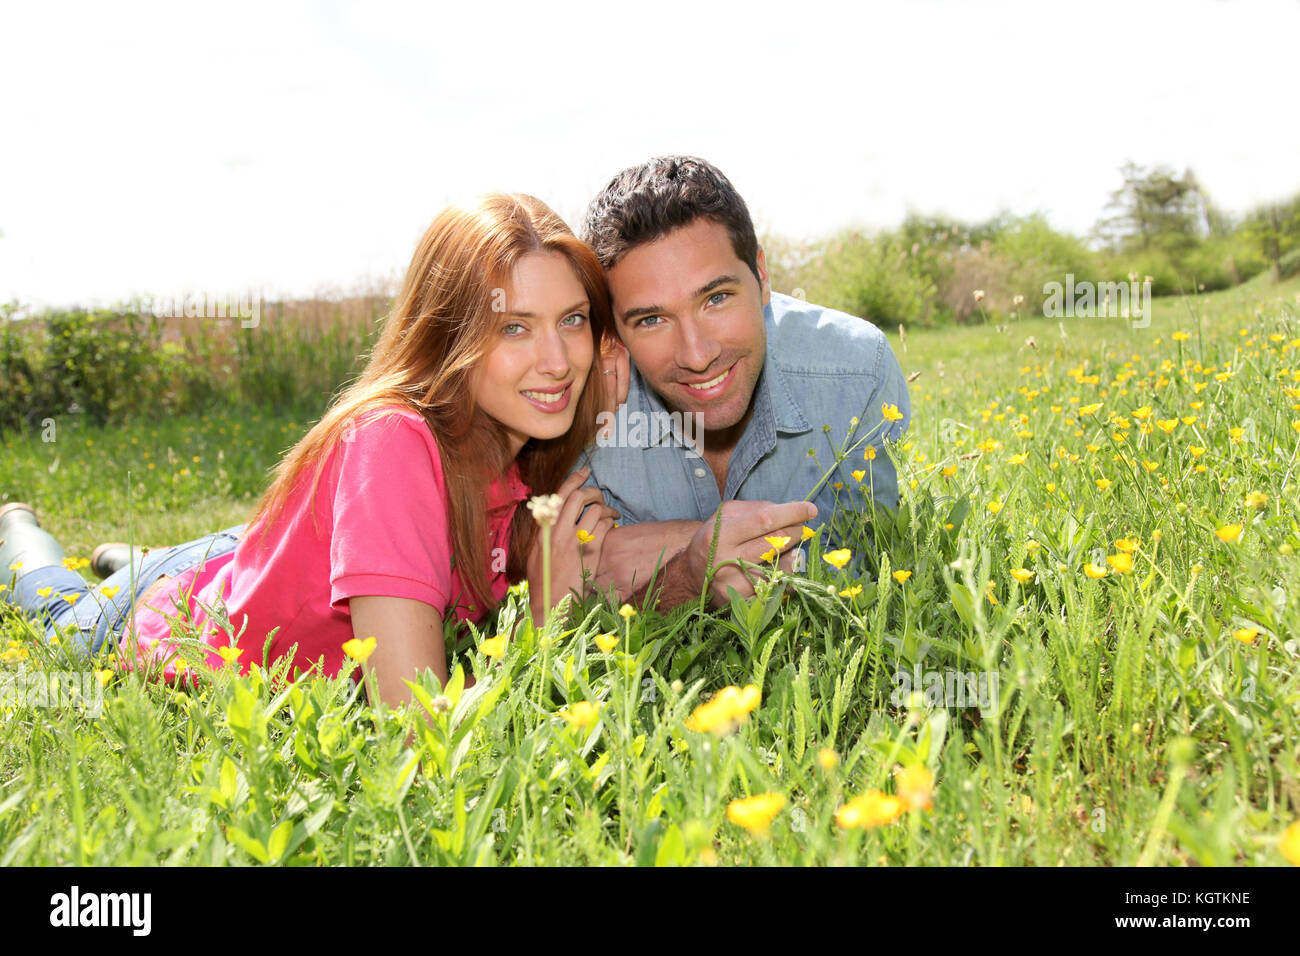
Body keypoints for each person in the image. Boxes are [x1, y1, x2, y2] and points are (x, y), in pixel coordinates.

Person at [0, 193, 620, 708]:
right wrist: (547, 622)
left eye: (572, 319)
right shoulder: (391, 441)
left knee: (210, 558)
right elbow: (415, 722)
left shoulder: (516, 445)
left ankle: (132, 560)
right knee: (58, 605)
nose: (559, 361)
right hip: (181, 618)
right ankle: (19, 527)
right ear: (448, 335)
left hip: (242, 554)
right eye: (514, 327)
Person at [577, 156, 912, 610]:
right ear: (613, 332)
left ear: (762, 275)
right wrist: (691, 571)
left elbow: (875, 562)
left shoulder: (856, 370)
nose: (698, 355)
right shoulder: (582, 402)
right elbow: (568, 587)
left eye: (716, 298)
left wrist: (673, 550)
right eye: (652, 319)